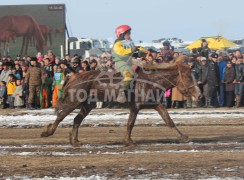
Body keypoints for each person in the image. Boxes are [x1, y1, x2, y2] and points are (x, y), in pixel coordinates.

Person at [112, 25, 147, 103]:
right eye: (128, 33)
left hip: (130, 62)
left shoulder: (129, 43)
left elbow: (138, 52)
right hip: (122, 63)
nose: (129, 35)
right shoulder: (117, 44)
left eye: (129, 33)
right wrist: (132, 50)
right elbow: (121, 53)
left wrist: (141, 51)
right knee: (129, 75)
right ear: (121, 34)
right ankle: (121, 93)